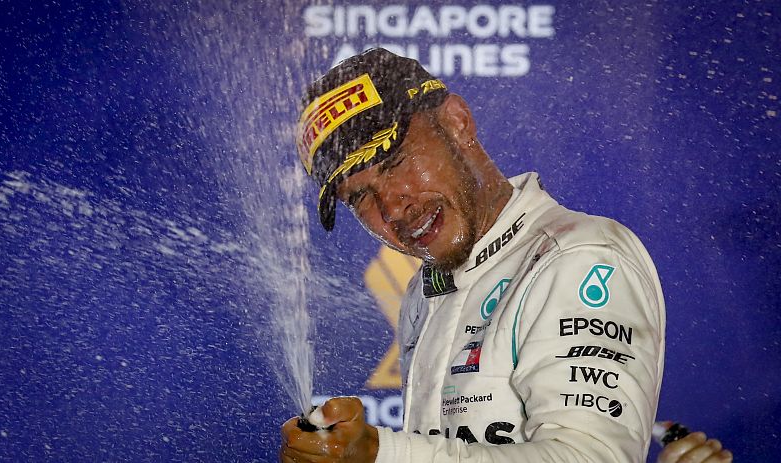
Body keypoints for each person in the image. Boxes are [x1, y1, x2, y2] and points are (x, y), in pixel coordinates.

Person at [280, 48, 732, 463]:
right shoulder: (428, 288)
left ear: (458, 123)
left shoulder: (579, 257)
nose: (393, 207)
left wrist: (383, 451)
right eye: (361, 197)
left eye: (397, 161)